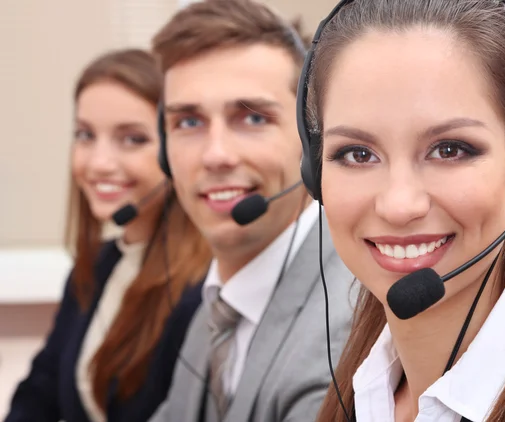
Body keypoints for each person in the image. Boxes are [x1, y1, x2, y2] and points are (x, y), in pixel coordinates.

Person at [297, 0, 505, 421]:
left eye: (449, 149)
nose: (399, 205)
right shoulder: (361, 389)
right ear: (314, 174)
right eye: (358, 154)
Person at [147, 1, 355, 421]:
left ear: (312, 142)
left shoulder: (345, 324)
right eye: (188, 122)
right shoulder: (219, 302)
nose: (215, 155)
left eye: (252, 118)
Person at [5, 49, 212, 422]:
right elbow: (39, 392)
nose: (99, 162)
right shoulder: (99, 265)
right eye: (85, 135)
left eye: (132, 139)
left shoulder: (205, 288)